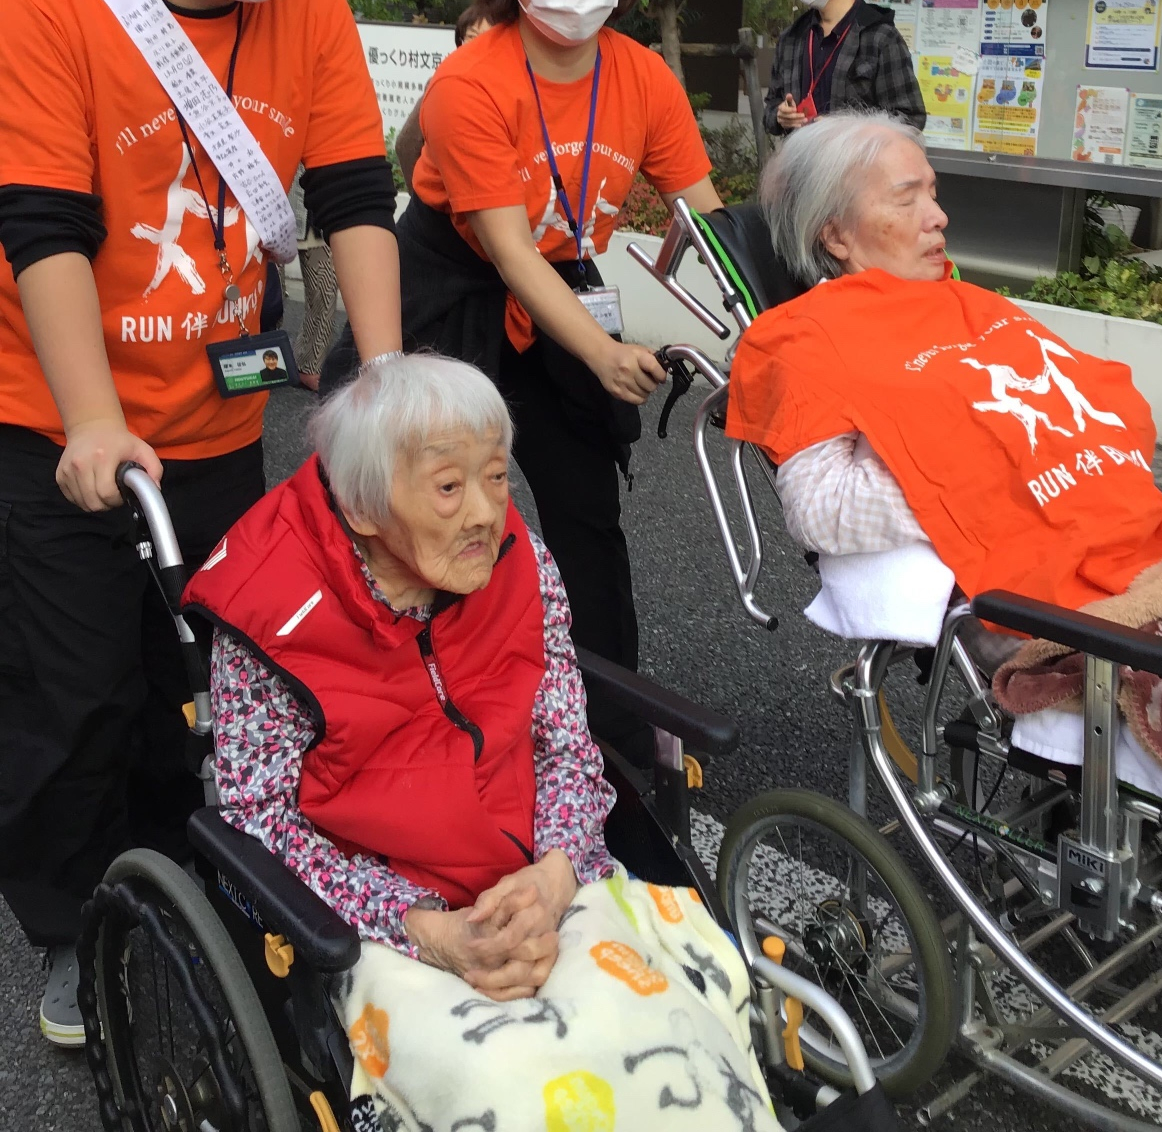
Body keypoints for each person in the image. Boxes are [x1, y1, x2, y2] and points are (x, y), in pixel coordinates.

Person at [0, 0, 402, 1044]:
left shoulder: (312, 8)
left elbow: (354, 198)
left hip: (220, 416)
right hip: (57, 424)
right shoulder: (49, 2)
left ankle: (185, 890)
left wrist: (392, 382)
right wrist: (91, 418)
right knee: (76, 695)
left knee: (216, 679)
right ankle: (72, 927)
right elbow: (43, 226)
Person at [183, 355, 772, 1131]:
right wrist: (424, 926)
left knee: (677, 1037)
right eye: (448, 487)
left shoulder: (517, 559)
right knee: (510, 1088)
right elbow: (262, 819)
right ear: (362, 506)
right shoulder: (269, 614)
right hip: (379, 919)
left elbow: (562, 742)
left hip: (540, 870)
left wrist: (556, 872)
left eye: (495, 477)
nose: (486, 514)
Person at [325, 0, 720, 739]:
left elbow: (708, 219)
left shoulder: (642, 76)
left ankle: (613, 725)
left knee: (587, 512)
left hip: (561, 280)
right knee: (420, 504)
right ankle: (408, 710)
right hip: (450, 283)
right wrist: (603, 351)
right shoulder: (472, 81)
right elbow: (506, 249)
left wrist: (771, 322)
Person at [725, 113, 1162, 793]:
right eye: (907, 199)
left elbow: (1106, 414)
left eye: (932, 192)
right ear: (836, 235)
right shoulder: (806, 338)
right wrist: (995, 464)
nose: (938, 216)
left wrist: (1032, 450)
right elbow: (821, 510)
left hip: (1148, 537)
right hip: (1048, 592)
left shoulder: (969, 304)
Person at [764, 0, 925, 136]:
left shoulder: (880, 37)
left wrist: (848, 130)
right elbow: (770, 108)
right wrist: (779, 116)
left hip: (856, 158)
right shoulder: (792, 37)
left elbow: (910, 119)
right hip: (800, 156)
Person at [393, 4, 492, 192]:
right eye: (471, 37)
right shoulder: (443, 85)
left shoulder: (512, 89)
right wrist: (424, 197)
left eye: (487, 38)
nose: (477, 45)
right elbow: (406, 144)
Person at [289, 168, 338, 390]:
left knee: (325, 290)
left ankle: (309, 365)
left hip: (318, 209)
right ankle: (258, 358)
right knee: (268, 297)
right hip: (269, 208)